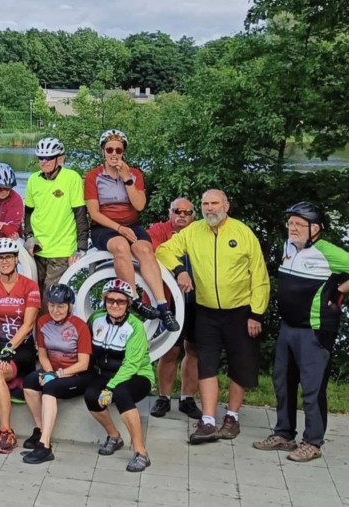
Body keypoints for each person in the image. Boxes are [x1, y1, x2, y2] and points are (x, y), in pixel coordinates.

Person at [157, 189, 269, 444]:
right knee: (206, 364)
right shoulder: (194, 231)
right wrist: (179, 271)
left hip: (240, 311)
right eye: (205, 204)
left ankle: (231, 417)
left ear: (226, 206)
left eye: (215, 203)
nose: (210, 208)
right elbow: (163, 250)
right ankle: (207, 421)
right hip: (206, 310)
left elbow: (260, 276)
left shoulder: (243, 232)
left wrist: (256, 313)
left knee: (239, 365)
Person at [254, 203, 349, 462]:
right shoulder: (289, 247)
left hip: (315, 330)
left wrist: (340, 291)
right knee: (283, 383)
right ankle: (284, 434)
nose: (292, 228)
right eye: (291, 223)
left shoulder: (327, 251)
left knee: (312, 388)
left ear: (315, 229)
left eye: (299, 224)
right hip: (288, 327)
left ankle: (313, 442)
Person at [84, 130, 178, 331]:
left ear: (124, 151)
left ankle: (163, 306)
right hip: (105, 227)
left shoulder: (134, 174)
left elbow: (140, 205)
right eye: (110, 149)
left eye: (119, 149)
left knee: (145, 250)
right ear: (103, 151)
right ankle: (134, 298)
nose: (114, 153)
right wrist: (119, 228)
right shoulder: (93, 176)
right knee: (120, 246)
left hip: (131, 224)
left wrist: (127, 179)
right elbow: (94, 213)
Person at [0, 238, 41, 454]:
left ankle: (7, 431)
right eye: (0, 258)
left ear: (16, 260)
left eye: (8, 257)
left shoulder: (29, 286)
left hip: (20, 348)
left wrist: (9, 348)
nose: (4, 261)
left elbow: (29, 323)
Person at [85, 279, 155, 473]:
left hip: (137, 375)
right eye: (110, 300)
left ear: (128, 304)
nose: (115, 305)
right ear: (104, 301)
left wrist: (110, 388)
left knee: (122, 393)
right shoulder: (96, 319)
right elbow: (85, 345)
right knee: (91, 396)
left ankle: (141, 452)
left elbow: (131, 364)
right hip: (107, 373)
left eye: (121, 301)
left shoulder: (135, 327)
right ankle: (114, 437)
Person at [21, 284, 92, 464]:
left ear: (70, 306)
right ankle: (39, 430)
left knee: (49, 388)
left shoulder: (80, 326)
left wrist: (57, 375)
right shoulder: (43, 321)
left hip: (76, 374)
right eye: (52, 305)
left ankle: (45, 446)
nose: (55, 310)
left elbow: (83, 364)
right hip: (54, 370)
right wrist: (49, 372)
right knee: (29, 382)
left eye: (61, 306)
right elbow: (43, 355)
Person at [148, 197, 201, 420]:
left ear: (194, 216)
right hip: (169, 298)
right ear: (169, 213)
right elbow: (151, 255)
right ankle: (164, 397)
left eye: (187, 212)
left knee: (194, 349)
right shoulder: (159, 230)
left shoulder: (202, 233)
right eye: (177, 211)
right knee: (170, 349)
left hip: (199, 299)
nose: (182, 215)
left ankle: (187, 398)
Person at [24, 137, 89, 290]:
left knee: (51, 294)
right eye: (40, 157)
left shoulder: (72, 178)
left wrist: (82, 247)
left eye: (48, 158)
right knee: (34, 293)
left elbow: (80, 214)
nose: (43, 161)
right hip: (37, 248)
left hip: (61, 249)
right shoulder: (33, 179)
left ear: (60, 159)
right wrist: (28, 236)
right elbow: (28, 213)